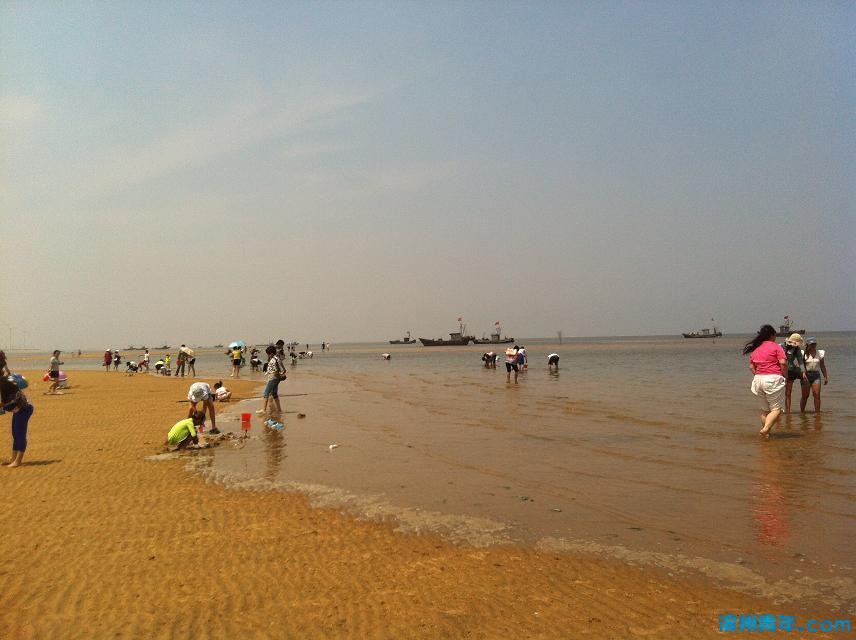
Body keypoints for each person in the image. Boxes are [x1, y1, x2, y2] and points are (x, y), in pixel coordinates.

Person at [743, 325, 787, 439]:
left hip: (758, 380)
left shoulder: (757, 348)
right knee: (777, 410)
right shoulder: (776, 347)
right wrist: (784, 375)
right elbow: (783, 363)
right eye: (775, 335)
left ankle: (767, 435)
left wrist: (759, 375)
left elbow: (751, 367)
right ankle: (765, 429)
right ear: (772, 335)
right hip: (772, 379)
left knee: (765, 410)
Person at [1, 374, 33, 468]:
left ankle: (18, 461)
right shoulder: (4, 381)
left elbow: (4, 403)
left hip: (24, 409)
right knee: (15, 434)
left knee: (20, 434)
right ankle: (13, 459)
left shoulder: (3, 383)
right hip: (18, 409)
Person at [800, 338, 829, 414]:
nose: (813, 346)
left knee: (817, 395)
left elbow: (822, 366)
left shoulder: (820, 353)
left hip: (816, 375)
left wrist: (825, 377)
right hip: (806, 376)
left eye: (814, 344)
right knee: (805, 396)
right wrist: (802, 373)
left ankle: (817, 414)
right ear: (808, 345)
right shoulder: (803, 353)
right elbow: (800, 364)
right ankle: (802, 413)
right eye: (811, 344)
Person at [780, 333, 806, 414]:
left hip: (790, 371)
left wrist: (803, 372)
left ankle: (788, 412)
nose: (795, 345)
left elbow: (800, 361)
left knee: (788, 392)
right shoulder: (780, 346)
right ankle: (776, 410)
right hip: (779, 371)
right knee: (777, 392)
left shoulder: (797, 349)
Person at [258, 345, 285, 415]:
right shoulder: (277, 358)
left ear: (271, 353)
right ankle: (279, 409)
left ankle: (263, 409)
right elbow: (282, 367)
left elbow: (276, 370)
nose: (268, 355)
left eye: (268, 354)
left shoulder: (273, 360)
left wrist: (276, 377)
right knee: (274, 394)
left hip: (273, 378)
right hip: (276, 378)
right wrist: (281, 374)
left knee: (266, 393)